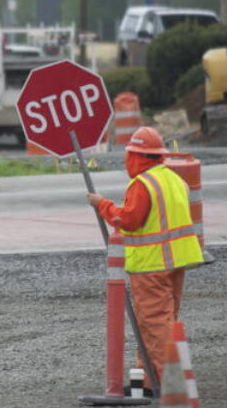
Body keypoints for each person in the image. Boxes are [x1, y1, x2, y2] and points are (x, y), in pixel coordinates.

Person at [86, 126, 203, 392]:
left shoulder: (143, 183)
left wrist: (100, 204)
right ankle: (149, 380)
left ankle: (170, 384)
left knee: (154, 324)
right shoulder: (173, 178)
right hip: (177, 260)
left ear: (136, 156)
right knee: (163, 322)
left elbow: (127, 220)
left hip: (152, 264)